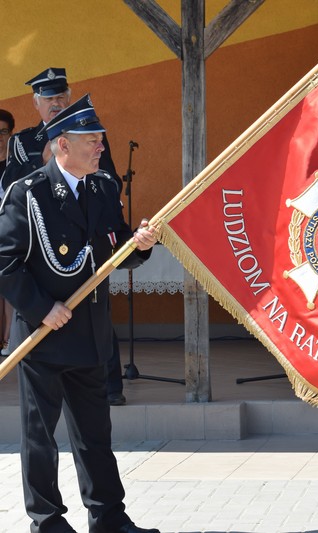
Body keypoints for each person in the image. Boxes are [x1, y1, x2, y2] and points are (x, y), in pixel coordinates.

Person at [0, 95, 159, 533]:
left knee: (95, 437)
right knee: (40, 438)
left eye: (100, 139)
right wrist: (40, 308)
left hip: (90, 335)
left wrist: (139, 245)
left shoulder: (104, 187)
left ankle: (109, 517)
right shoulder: (27, 194)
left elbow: (115, 249)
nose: (100, 147)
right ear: (62, 145)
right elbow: (5, 263)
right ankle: (47, 521)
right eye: (91, 139)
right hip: (43, 337)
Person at [1, 67, 127, 405]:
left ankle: (111, 385)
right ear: (36, 103)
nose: (56, 103)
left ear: (69, 98)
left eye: (61, 96)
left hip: (85, 230)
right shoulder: (23, 141)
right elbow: (9, 183)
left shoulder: (89, 133)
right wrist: (42, 165)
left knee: (97, 310)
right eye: (49, 98)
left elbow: (109, 179)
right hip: (41, 238)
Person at [0, 108, 15, 355]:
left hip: (11, 231)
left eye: (3, 131)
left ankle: (11, 340)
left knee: (11, 287)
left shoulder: (16, 163)